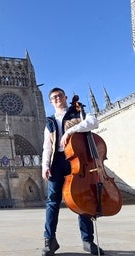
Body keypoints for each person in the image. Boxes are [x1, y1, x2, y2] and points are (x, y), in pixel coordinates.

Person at [41, 87, 104, 256]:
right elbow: (47, 146)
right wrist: (45, 166)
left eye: (60, 95)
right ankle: (50, 240)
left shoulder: (78, 112)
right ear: (50, 101)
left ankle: (87, 240)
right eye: (54, 97)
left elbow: (94, 122)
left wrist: (70, 130)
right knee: (52, 201)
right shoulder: (50, 122)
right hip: (56, 161)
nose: (57, 98)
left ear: (65, 97)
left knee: (83, 198)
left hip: (77, 159)